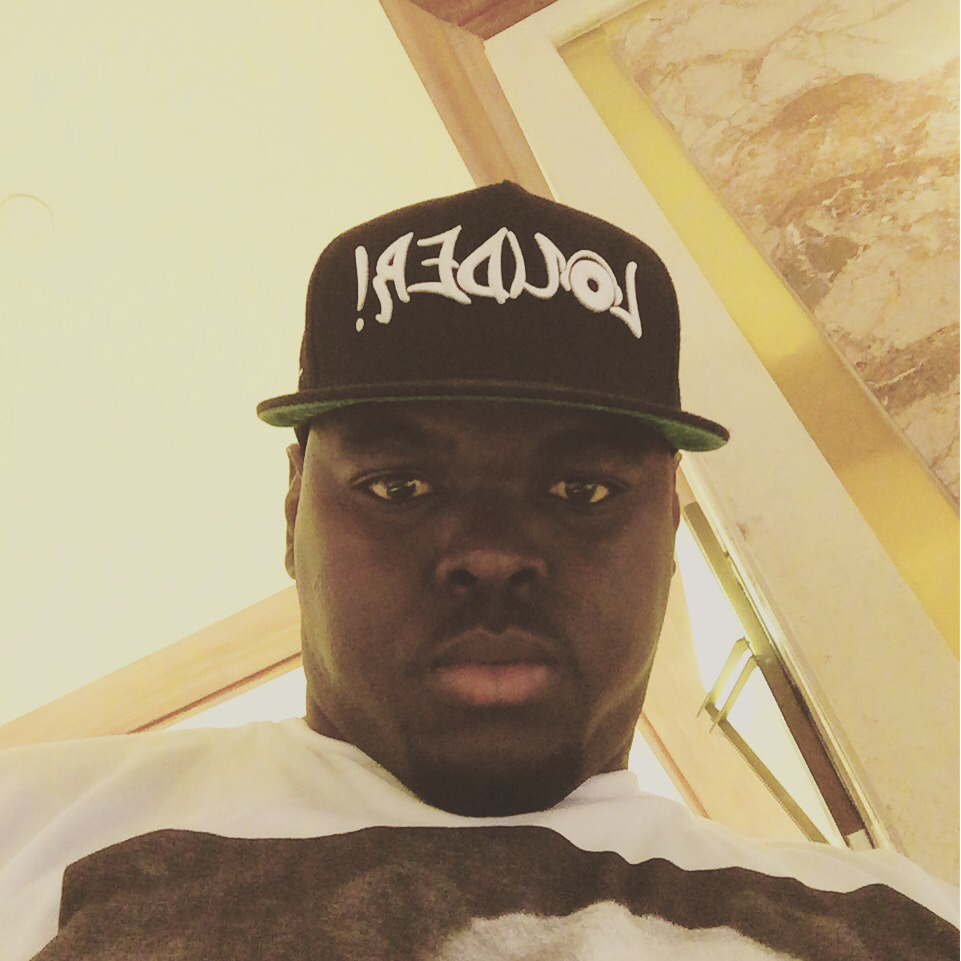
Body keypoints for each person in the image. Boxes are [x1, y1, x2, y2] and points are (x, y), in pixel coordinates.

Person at [1, 182, 956, 960]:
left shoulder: (898, 920)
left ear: (669, 525)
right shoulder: (32, 824)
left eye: (580, 490)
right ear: (294, 509)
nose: (492, 552)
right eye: (400, 485)